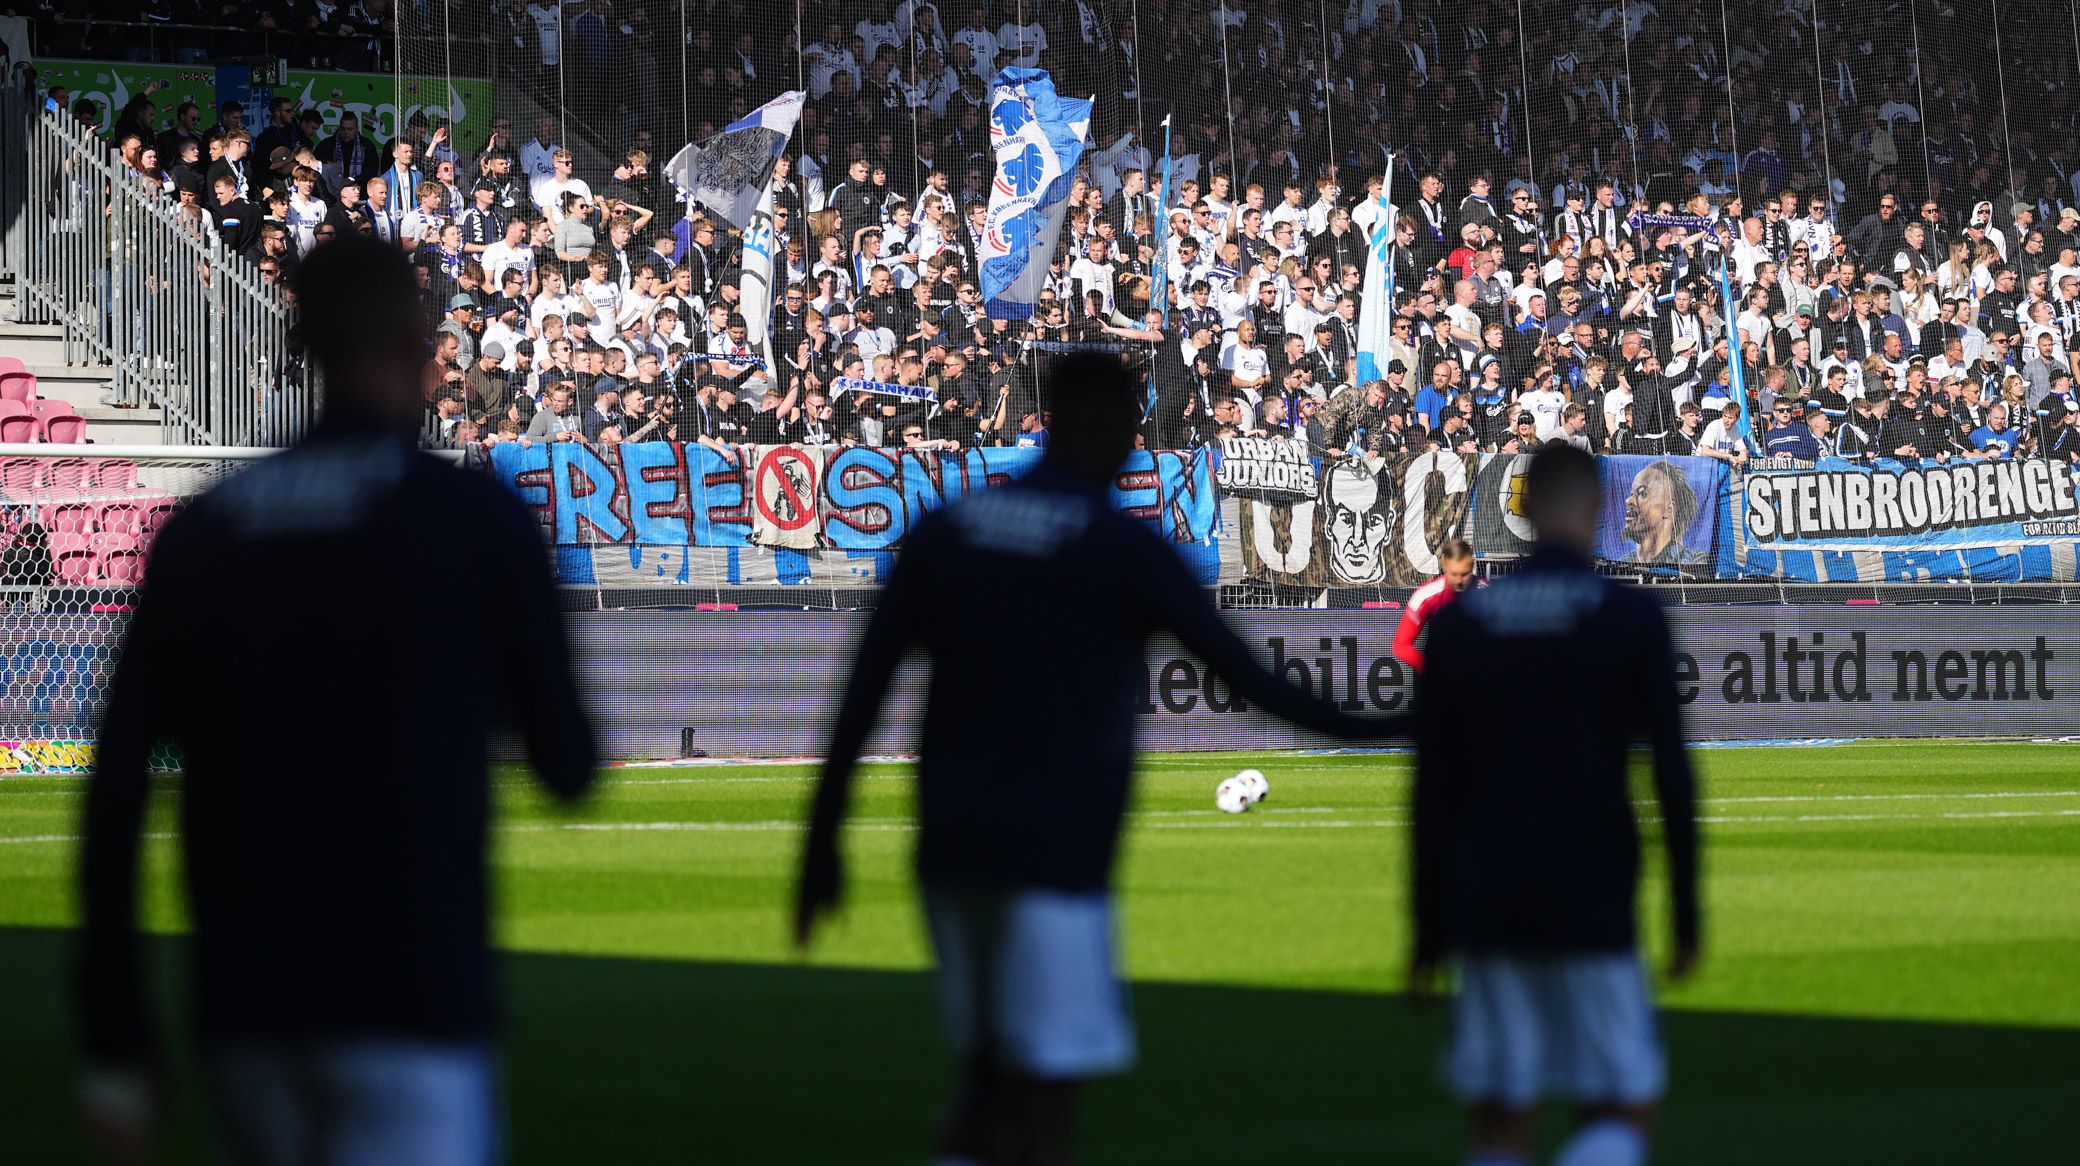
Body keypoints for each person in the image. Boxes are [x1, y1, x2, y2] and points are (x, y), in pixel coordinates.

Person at [795, 354, 1399, 1166]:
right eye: (1130, 420)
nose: (1136, 437)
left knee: (984, 1078)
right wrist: (1396, 727)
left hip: (953, 846)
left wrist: (821, 838)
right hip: (1056, 852)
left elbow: (863, 689)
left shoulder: (953, 529)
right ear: (1106, 424)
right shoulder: (1120, 548)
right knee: (1046, 1098)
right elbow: (1258, 682)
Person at [77, 235, 599, 1165]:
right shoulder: (473, 521)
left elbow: (116, 783)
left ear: (301, 347)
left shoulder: (208, 529)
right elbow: (567, 764)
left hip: (247, 1001)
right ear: (420, 343)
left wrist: (115, 1024)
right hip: (412, 990)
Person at [1409, 444, 1700, 1166]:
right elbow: (1669, 770)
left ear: (1523, 510)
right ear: (1598, 509)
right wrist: (1687, 911)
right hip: (1592, 886)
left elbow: (1432, 789)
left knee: (1502, 1113)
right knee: (1623, 1101)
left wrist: (1426, 930)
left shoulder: (1464, 625)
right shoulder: (1629, 615)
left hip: (1489, 888)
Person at [1391, 538, 1484, 673]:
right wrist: (1433, 671)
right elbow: (1400, 645)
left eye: (1464, 574)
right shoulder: (1425, 596)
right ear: (1444, 565)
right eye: (1454, 574)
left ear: (1471, 566)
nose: (1459, 581)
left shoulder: (1487, 593)